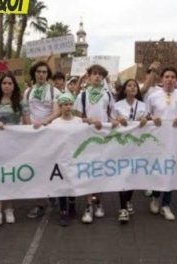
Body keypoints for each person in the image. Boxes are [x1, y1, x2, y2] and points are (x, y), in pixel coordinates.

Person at [146, 67, 177, 221]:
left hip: (174, 140)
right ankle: (156, 197)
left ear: (176, 80)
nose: (169, 79)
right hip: (158, 140)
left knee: (171, 170)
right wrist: (152, 118)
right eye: (166, 76)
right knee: (159, 169)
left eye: (172, 77)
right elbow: (146, 115)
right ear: (162, 79)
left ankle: (166, 205)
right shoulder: (153, 96)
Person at [73, 64, 115, 224]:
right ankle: (89, 205)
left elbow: (111, 115)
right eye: (94, 74)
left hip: (104, 138)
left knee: (101, 171)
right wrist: (89, 120)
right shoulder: (82, 96)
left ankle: (99, 202)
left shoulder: (107, 95)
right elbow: (77, 118)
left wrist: (116, 121)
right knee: (89, 171)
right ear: (88, 77)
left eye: (100, 75)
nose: (97, 77)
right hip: (87, 139)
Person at [0, 73, 30, 228]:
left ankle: (9, 209)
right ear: (0, 85)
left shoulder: (21, 102)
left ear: (14, 86)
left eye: (10, 83)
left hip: (15, 144)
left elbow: (27, 123)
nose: (7, 86)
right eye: (4, 83)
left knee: (10, 175)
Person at [25, 61, 62, 219]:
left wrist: (46, 120)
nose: (41, 74)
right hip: (32, 136)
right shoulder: (28, 92)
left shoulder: (54, 91)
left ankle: (54, 193)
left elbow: (57, 111)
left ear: (48, 75)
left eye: (44, 72)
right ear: (34, 73)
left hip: (50, 135)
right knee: (36, 168)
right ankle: (40, 203)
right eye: (38, 71)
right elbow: (25, 111)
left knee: (52, 167)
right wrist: (28, 125)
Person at [111, 79, 148, 223]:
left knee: (133, 174)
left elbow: (149, 121)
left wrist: (146, 119)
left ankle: (128, 201)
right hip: (122, 144)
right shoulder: (118, 105)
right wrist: (117, 119)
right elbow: (111, 121)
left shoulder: (143, 105)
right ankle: (123, 208)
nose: (132, 88)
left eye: (135, 86)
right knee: (123, 175)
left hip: (137, 145)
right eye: (129, 85)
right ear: (124, 89)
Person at [51, 93, 82, 226]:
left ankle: (72, 204)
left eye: (70, 104)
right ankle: (63, 210)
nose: (68, 107)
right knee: (62, 183)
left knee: (73, 182)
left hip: (74, 156)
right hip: (60, 157)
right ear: (60, 106)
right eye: (65, 104)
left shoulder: (79, 121)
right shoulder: (55, 123)